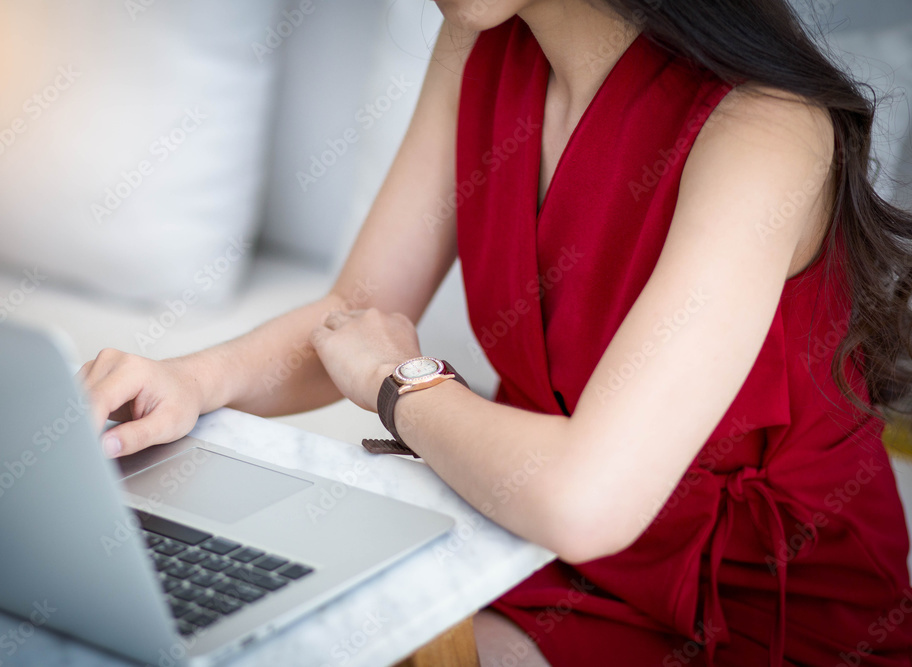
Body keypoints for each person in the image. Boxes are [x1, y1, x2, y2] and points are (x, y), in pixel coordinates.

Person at [79, 0, 912, 664]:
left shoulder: (767, 128)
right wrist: (193, 380)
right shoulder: (479, 36)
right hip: (526, 541)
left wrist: (398, 386)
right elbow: (357, 314)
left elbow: (587, 499)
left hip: (767, 616)